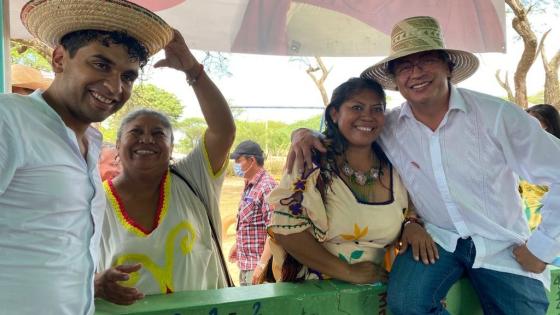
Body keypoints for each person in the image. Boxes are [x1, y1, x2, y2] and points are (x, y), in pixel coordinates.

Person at [288, 16, 560, 314]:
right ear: (395, 80)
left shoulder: (496, 116)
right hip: (436, 240)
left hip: (501, 246)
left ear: (448, 66)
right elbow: (350, 132)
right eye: (404, 66)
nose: (415, 73)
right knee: (407, 303)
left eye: (426, 60)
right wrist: (304, 133)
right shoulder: (388, 126)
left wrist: (542, 247)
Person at [0, 0, 173, 314]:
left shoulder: (90, 142)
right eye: (101, 64)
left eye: (129, 76)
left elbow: (49, 245)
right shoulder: (10, 120)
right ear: (59, 59)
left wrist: (90, 282)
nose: (114, 86)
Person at [95, 29, 236, 305]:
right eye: (135, 132)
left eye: (159, 134)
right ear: (118, 146)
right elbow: (65, 270)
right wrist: (94, 284)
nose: (146, 139)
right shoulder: (95, 201)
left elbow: (224, 130)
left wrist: (193, 70)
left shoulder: (194, 178)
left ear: (171, 148)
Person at [267, 77, 434, 284]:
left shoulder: (396, 163)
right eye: (357, 107)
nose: (367, 117)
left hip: (377, 294)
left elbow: (411, 206)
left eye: (377, 109)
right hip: (314, 294)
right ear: (334, 114)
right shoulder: (311, 161)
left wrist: (411, 224)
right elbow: (287, 231)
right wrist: (348, 272)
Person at [228, 140, 277, 286]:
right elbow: (250, 221)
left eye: (238, 160)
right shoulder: (250, 185)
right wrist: (238, 245)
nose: (235, 164)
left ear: (251, 160)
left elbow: (274, 231)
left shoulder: (267, 187)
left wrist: (261, 265)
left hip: (258, 269)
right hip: (246, 265)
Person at [520, 104, 560, 230]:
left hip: (546, 221)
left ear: (547, 124)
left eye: (534, 120)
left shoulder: (553, 153)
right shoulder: (521, 151)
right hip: (521, 218)